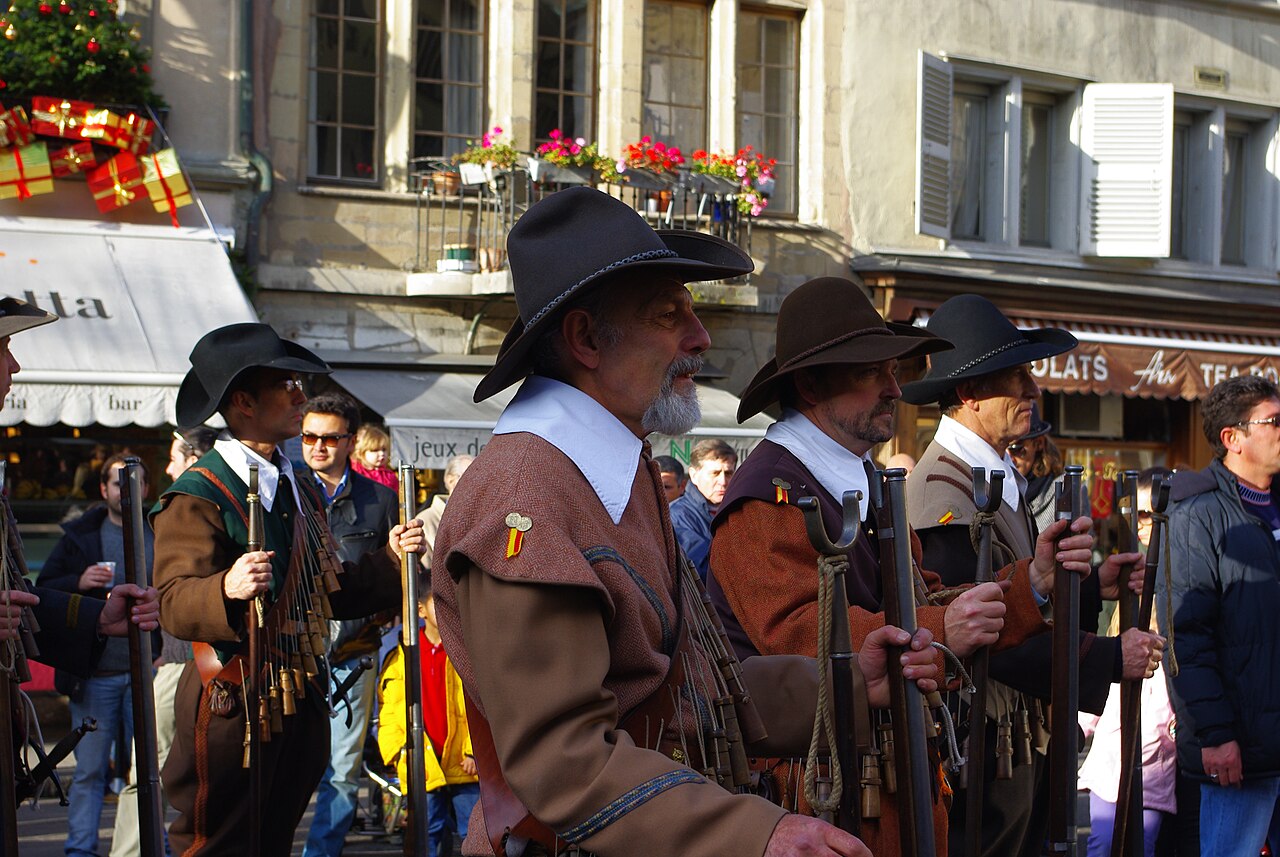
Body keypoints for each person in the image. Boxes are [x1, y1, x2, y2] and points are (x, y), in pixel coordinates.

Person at [431, 187, 940, 857]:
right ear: (585, 338)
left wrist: (847, 683)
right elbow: (563, 762)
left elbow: (690, 692)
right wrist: (757, 831)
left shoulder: (610, 468)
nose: (700, 338)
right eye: (670, 315)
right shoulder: (525, 496)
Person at [708, 277, 1087, 856]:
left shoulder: (857, 477)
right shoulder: (768, 497)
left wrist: (1028, 584)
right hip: (814, 803)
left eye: (892, 370)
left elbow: (924, 594)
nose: (894, 389)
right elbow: (803, 639)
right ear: (811, 384)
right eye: (871, 373)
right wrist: (942, 632)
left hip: (877, 785)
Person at [901, 293, 1164, 857]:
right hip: (984, 745)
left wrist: (1093, 586)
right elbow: (984, 630)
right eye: (1014, 377)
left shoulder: (986, 474)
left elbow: (1019, 588)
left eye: (1028, 374)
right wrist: (1111, 658)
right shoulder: (941, 493)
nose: (1032, 389)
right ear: (969, 393)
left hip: (1016, 740)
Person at [152, 322, 425, 857]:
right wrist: (224, 588)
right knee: (220, 845)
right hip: (233, 701)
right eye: (287, 385)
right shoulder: (197, 493)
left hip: (297, 697)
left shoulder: (299, 484)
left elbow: (326, 590)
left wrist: (392, 558)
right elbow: (172, 602)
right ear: (243, 402)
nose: (300, 396)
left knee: (274, 840)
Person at [1163, 375, 1280, 857]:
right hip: (1243, 751)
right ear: (1233, 438)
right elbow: (1186, 638)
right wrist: (1216, 734)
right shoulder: (1197, 516)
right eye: (1274, 421)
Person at [36, 453, 155, 857]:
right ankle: (80, 850)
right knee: (88, 771)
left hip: (149, 671)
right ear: (104, 489)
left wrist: (163, 655)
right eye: (119, 483)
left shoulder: (160, 533)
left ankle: (143, 846)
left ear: (146, 490)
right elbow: (43, 588)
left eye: (134, 482)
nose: (126, 490)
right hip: (96, 674)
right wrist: (80, 580)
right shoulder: (80, 536)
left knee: (147, 773)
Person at [299, 392, 399, 857]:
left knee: (343, 767)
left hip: (354, 650)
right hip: (293, 650)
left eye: (328, 438)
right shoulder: (288, 491)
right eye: (307, 437)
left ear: (351, 441)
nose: (317, 446)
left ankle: (321, 853)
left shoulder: (381, 499)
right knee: (286, 762)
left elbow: (396, 575)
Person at [112, 428, 218, 857]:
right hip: (179, 659)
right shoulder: (186, 508)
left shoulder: (195, 506)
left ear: (194, 459)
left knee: (162, 771)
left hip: (198, 663)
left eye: (175, 458)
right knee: (153, 771)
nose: (170, 469)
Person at [1078, 467, 1178, 857]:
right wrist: (1080, 723)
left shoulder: (1184, 577)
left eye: (1147, 515)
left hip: (1155, 756)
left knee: (1143, 844)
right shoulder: (1129, 580)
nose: (1138, 525)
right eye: (1133, 515)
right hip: (1111, 757)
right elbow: (1110, 659)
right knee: (1102, 844)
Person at [378, 588, 478, 857]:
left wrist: (474, 750)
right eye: (438, 603)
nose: (447, 608)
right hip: (422, 763)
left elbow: (480, 705)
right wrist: (399, 753)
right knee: (426, 837)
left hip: (463, 761)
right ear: (420, 610)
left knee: (475, 835)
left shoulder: (465, 650)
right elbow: (391, 712)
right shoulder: (402, 656)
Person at [668, 439, 737, 579]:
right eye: (715, 473)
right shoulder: (676, 516)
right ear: (694, 475)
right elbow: (703, 569)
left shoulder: (739, 510)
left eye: (728, 473)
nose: (723, 482)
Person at [416, 454, 475, 559]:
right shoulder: (426, 520)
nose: (476, 484)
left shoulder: (482, 517)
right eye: (470, 477)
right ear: (450, 480)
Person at [352, 424, 399, 492]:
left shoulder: (389, 476)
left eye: (384, 450)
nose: (381, 454)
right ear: (361, 452)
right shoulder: (355, 471)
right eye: (375, 450)